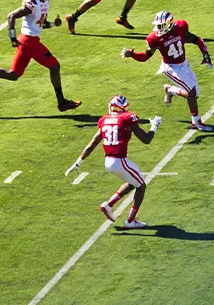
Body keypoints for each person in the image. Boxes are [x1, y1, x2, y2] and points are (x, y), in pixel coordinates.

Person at [67, 95, 159, 229]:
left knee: (132, 182)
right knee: (141, 186)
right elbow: (146, 139)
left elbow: (92, 144)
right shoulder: (128, 118)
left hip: (108, 162)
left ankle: (108, 205)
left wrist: (77, 162)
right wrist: (154, 126)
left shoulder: (104, 120)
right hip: (119, 161)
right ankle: (130, 221)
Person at [122, 11, 213, 130]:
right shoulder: (154, 38)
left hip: (183, 64)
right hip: (170, 67)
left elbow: (197, 40)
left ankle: (170, 90)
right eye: (157, 25)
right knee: (192, 92)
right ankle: (196, 121)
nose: (158, 28)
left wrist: (205, 54)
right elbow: (146, 55)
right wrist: (133, 55)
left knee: (195, 95)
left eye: (161, 25)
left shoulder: (180, 28)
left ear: (169, 24)